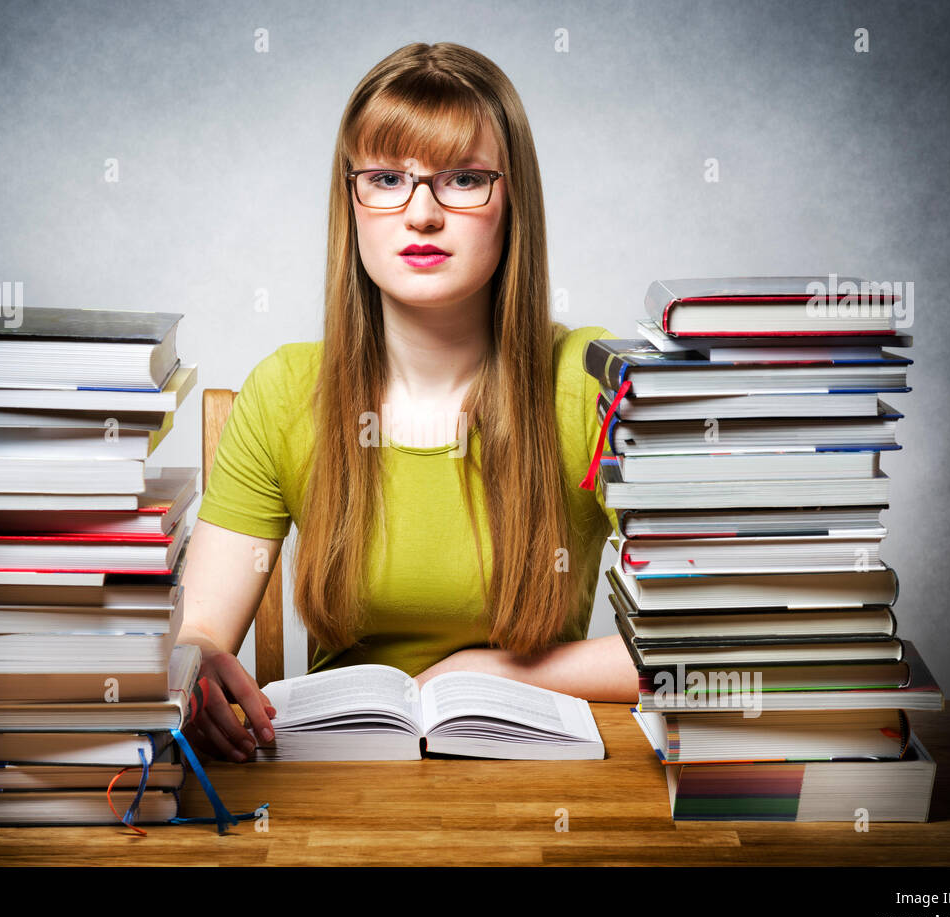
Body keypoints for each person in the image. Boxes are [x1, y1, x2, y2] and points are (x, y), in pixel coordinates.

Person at [178, 41, 638, 763]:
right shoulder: (287, 391)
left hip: (543, 785)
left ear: (512, 198)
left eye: (462, 179)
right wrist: (195, 665)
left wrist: (487, 672)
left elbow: (705, 645)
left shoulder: (591, 380)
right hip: (331, 787)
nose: (421, 214)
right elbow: (199, 633)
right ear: (351, 200)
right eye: (388, 178)